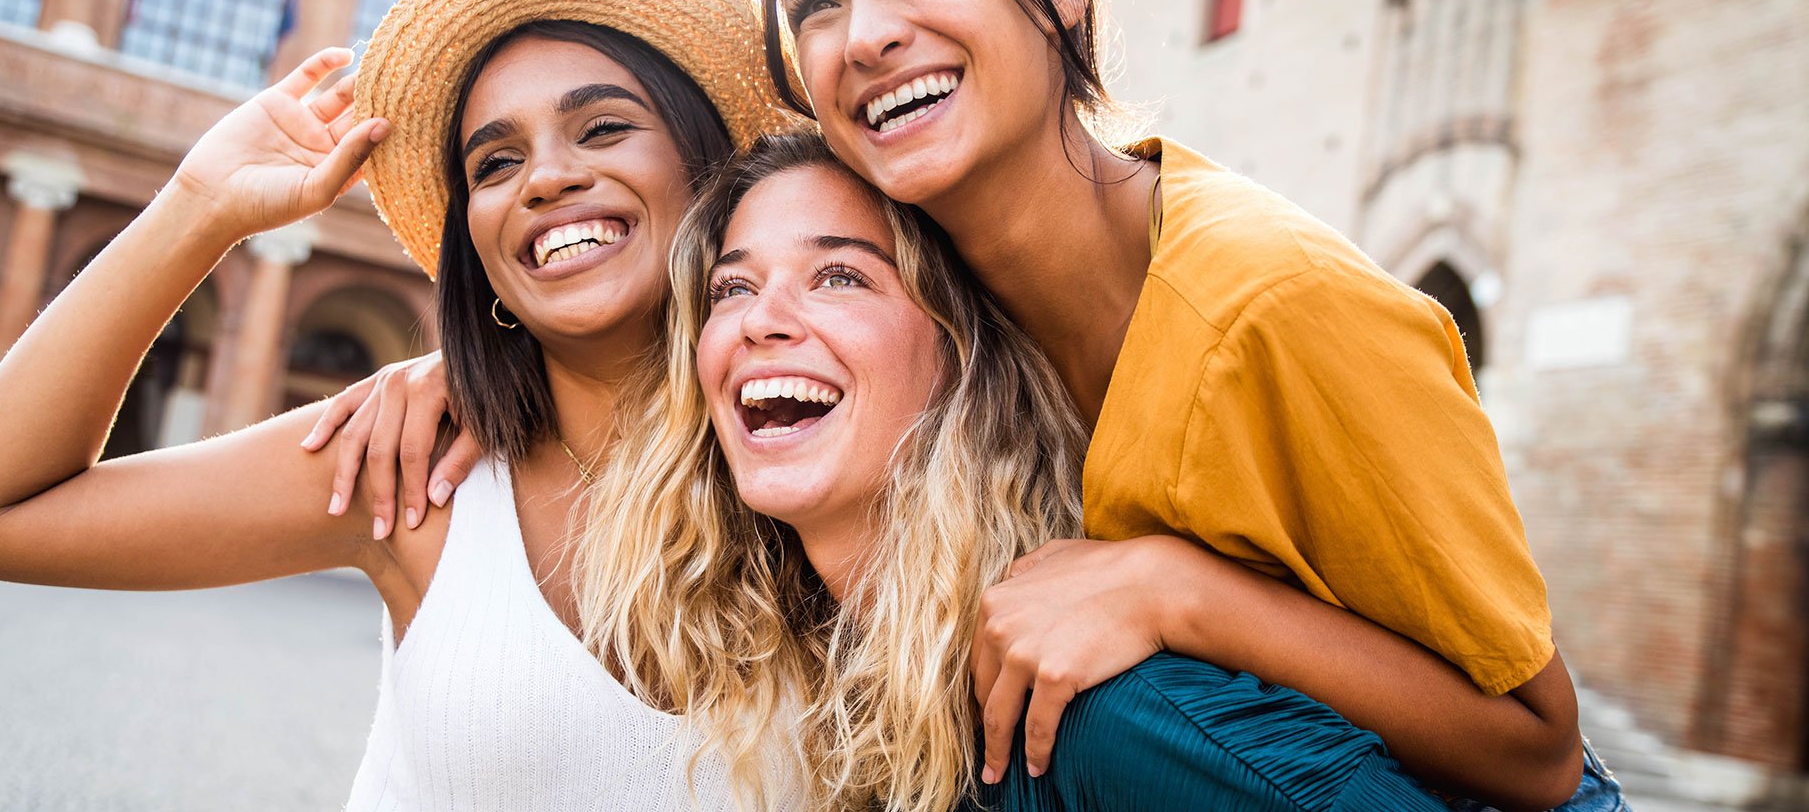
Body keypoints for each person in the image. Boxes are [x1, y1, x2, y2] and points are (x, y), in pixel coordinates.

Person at [753, 0, 1626, 809]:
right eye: (815, 5)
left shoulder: (1278, 304)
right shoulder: (933, 309)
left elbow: (1536, 748)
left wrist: (1178, 591)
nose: (865, 33)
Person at [0, 0, 802, 810]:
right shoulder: (407, 472)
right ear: (476, 247)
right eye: (494, 163)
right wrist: (198, 208)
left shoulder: (846, 457)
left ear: (714, 167)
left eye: (602, 128)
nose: (544, 179)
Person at [578, 129, 1450, 812]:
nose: (762, 320)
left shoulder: (1105, 715)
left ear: (963, 355)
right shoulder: (834, 693)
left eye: (839, 275)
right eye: (733, 288)